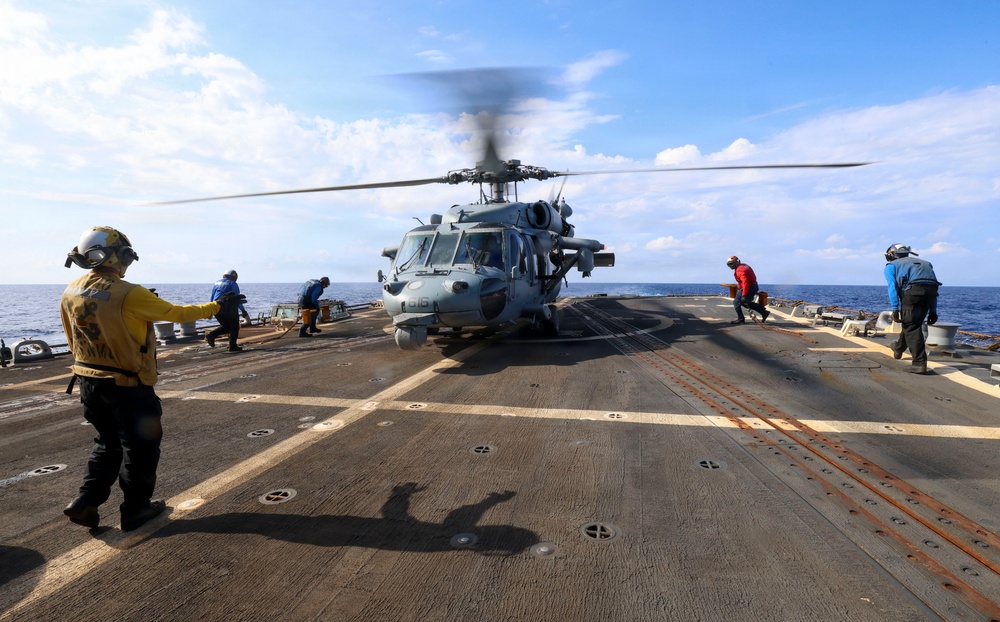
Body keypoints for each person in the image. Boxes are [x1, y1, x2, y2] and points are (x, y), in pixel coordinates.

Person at [60, 226, 245, 531]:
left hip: (88, 383)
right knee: (140, 449)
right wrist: (217, 306)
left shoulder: (71, 290)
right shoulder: (128, 293)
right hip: (128, 387)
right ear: (117, 256)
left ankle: (84, 501)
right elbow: (177, 313)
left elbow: (73, 335)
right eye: (125, 257)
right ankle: (136, 510)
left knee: (107, 444)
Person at [883, 244, 941, 374]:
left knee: (911, 327)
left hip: (912, 294)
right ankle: (898, 347)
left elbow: (892, 288)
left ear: (892, 255)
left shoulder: (891, 266)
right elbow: (933, 287)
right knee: (912, 323)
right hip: (930, 295)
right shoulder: (926, 264)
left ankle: (919, 363)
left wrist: (895, 309)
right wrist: (933, 310)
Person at [206, 269, 250, 352]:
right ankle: (232, 346)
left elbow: (212, 298)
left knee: (226, 327)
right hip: (229, 308)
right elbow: (237, 299)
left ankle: (212, 335)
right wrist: (243, 311)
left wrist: (211, 310)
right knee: (234, 327)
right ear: (234, 276)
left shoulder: (216, 283)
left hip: (216, 308)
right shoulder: (233, 284)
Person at [726, 255, 770, 325]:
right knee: (745, 303)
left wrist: (744, 295)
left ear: (737, 262)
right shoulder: (744, 266)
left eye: (731, 264)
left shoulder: (740, 270)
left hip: (748, 288)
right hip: (753, 286)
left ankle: (741, 319)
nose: (730, 266)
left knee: (736, 303)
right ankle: (763, 312)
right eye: (728, 265)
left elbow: (745, 283)